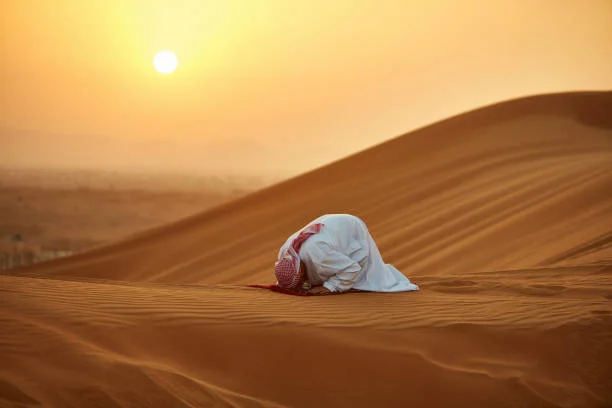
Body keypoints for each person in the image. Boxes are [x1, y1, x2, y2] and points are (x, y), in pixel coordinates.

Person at [274, 214, 419, 295]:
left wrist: (329, 287)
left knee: (363, 276)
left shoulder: (319, 255)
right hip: (329, 225)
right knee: (334, 265)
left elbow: (352, 268)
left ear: (302, 269)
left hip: (350, 226)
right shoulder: (285, 252)